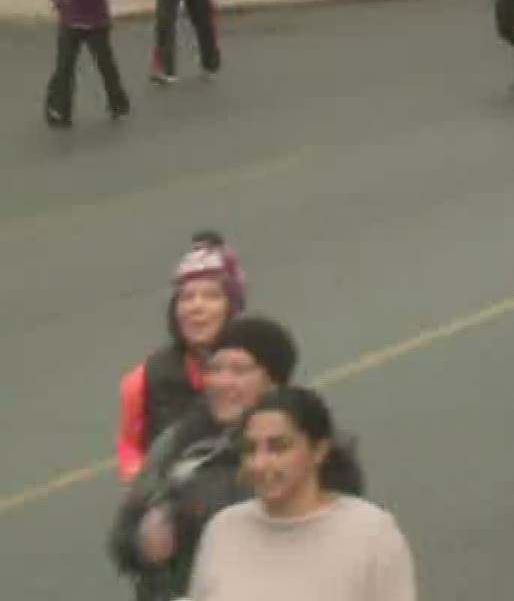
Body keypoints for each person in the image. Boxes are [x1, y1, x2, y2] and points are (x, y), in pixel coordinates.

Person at [110, 316, 298, 601]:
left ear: (273, 381)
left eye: (239, 371)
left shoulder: (304, 449)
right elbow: (125, 531)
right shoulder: (178, 443)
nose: (223, 382)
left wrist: (189, 519)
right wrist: (142, 541)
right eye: (216, 369)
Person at [188, 386, 411, 601]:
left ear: (319, 451)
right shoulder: (223, 529)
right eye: (251, 449)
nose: (260, 463)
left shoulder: (371, 533)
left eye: (278, 448)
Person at [118, 235, 248, 483]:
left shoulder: (258, 371)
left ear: (232, 307)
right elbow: (130, 447)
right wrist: (140, 477)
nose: (196, 307)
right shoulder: (145, 379)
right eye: (186, 297)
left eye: (211, 296)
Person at [46, 0, 130, 127]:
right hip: (69, 20)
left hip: (94, 21)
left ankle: (117, 103)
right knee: (64, 67)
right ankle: (59, 110)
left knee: (105, 65)